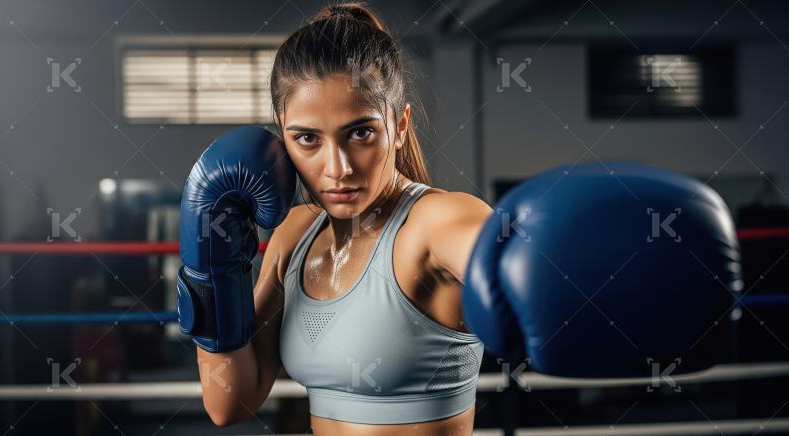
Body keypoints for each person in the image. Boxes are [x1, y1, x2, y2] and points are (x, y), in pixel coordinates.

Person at [176, 2, 741, 434]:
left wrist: (588, 273)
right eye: (307, 139)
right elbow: (230, 402)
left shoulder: (435, 222)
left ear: (399, 126)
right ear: (281, 137)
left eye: (361, 132)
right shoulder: (294, 236)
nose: (337, 167)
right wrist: (210, 270)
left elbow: (508, 255)